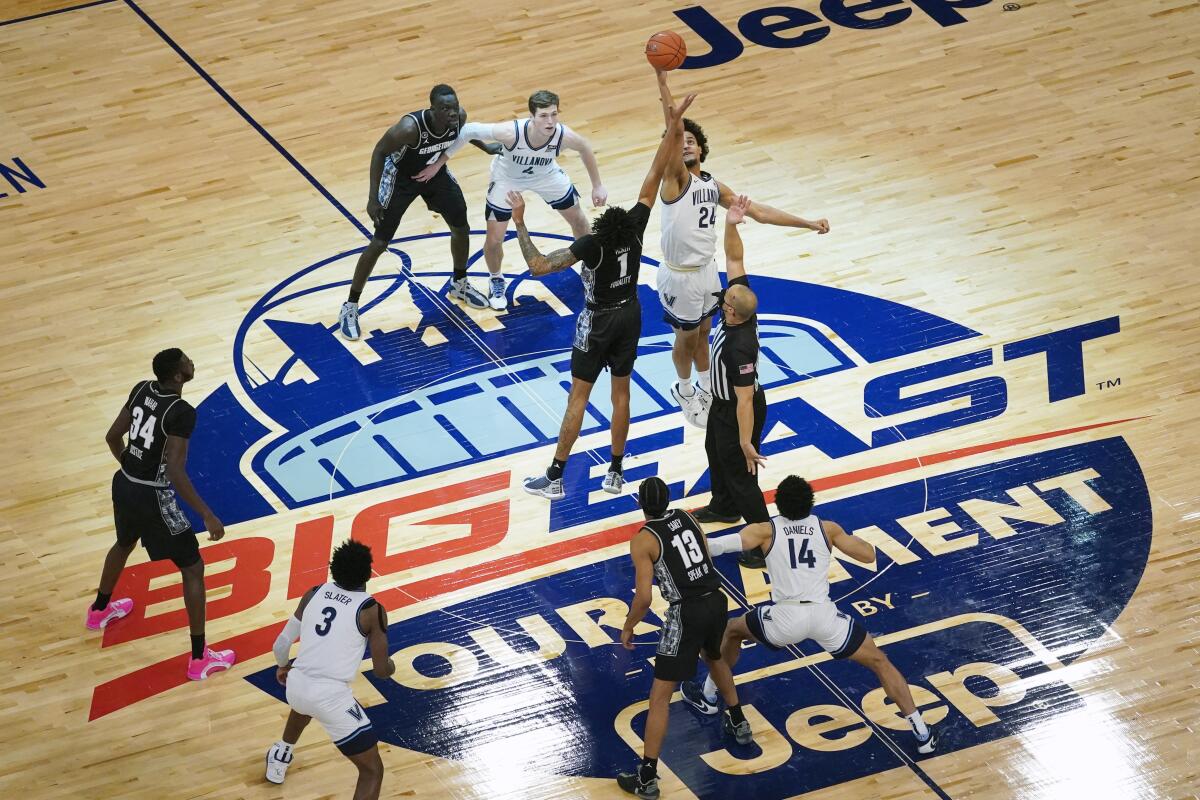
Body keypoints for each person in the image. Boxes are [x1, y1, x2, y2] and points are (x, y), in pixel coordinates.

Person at [511, 77, 694, 501]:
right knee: (622, 392)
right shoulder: (634, 227)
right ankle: (615, 472)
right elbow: (654, 173)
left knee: (579, 396)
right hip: (631, 312)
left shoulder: (591, 245)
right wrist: (674, 125)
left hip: (598, 320)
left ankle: (555, 477)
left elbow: (539, 266)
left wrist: (520, 220)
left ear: (599, 230)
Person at [693, 475, 941, 755]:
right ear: (810, 502)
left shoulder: (765, 530)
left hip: (785, 618)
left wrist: (691, 533)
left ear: (777, 502)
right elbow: (868, 555)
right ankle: (921, 732)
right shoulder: (828, 529)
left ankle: (709, 695)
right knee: (880, 662)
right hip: (824, 617)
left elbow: (714, 548)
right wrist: (842, 538)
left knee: (732, 630)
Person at [653, 71, 830, 430]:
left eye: (691, 141)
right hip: (679, 276)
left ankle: (705, 387)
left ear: (701, 148)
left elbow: (760, 212)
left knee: (704, 332)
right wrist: (664, 85)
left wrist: (807, 223)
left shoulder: (712, 185)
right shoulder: (673, 180)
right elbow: (670, 138)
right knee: (685, 337)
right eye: (679, 141)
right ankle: (684, 389)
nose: (685, 145)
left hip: (706, 269)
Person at [84, 348, 236, 681]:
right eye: (187, 361)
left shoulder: (141, 388)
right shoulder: (181, 411)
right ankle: (199, 659)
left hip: (124, 484)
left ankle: (98, 611)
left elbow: (113, 437)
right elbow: (177, 471)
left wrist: (130, 466)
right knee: (193, 568)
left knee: (123, 542)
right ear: (179, 375)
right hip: (152, 494)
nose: (192, 361)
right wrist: (207, 514)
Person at [337, 84, 502, 339]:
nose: (451, 113)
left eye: (454, 107)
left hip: (433, 173)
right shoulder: (409, 128)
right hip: (400, 179)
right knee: (380, 242)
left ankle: (459, 283)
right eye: (445, 109)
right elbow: (380, 152)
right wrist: (372, 198)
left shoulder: (459, 117)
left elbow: (464, 133)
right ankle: (350, 305)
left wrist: (487, 147)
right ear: (432, 109)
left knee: (461, 225)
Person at [615, 477, 742, 800]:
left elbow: (643, 598)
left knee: (660, 697)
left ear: (641, 505)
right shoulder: (687, 515)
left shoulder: (642, 539)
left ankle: (647, 778)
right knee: (713, 657)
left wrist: (629, 625)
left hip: (686, 611)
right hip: (715, 597)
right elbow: (705, 559)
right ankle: (738, 721)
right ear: (668, 499)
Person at [446, 90, 608, 310]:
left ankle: (591, 268)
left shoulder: (562, 134)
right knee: (494, 237)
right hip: (507, 178)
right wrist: (440, 162)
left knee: (579, 219)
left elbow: (585, 147)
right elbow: (468, 130)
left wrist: (597, 185)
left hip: (546, 174)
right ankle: (496, 279)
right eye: (543, 115)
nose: (550, 121)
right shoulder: (512, 132)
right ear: (531, 116)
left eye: (553, 114)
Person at [264, 539, 396, 799]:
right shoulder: (371, 610)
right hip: (330, 697)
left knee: (305, 702)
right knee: (372, 770)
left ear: (333, 569)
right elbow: (381, 670)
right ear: (368, 573)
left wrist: (282, 667)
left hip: (296, 686)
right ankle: (281, 751)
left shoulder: (313, 593)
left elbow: (280, 645)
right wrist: (391, 666)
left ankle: (281, 753)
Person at [695, 196, 770, 565]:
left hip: (739, 409)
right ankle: (724, 508)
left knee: (742, 474)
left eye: (726, 302)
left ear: (735, 313)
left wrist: (745, 442)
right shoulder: (741, 306)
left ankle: (762, 538)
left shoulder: (740, 347)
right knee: (714, 453)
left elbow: (743, 401)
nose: (723, 299)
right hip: (722, 406)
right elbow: (735, 260)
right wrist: (731, 223)